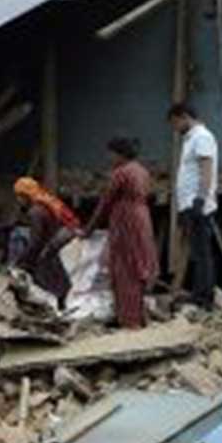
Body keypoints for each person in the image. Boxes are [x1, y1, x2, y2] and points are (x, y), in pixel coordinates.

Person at [89, 136, 158, 329]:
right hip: (142, 219)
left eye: (111, 153)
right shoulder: (142, 171)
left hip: (126, 222)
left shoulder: (120, 173)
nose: (109, 158)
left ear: (119, 153)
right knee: (139, 265)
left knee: (125, 270)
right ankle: (139, 316)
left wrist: (89, 229)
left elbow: (105, 203)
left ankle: (129, 320)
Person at [169, 101, 221, 308]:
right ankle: (199, 293)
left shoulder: (201, 137)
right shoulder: (191, 139)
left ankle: (204, 297)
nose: (175, 128)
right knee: (198, 253)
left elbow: (206, 168)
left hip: (197, 204)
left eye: (175, 122)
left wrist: (200, 199)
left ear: (184, 117)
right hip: (189, 204)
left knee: (203, 253)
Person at [7, 176, 81, 305]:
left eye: (19, 196)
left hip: (60, 243)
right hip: (65, 238)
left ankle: (57, 301)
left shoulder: (35, 212)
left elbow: (35, 242)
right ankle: (61, 299)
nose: (18, 200)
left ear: (25, 196)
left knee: (42, 269)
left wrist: (20, 263)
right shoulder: (46, 203)